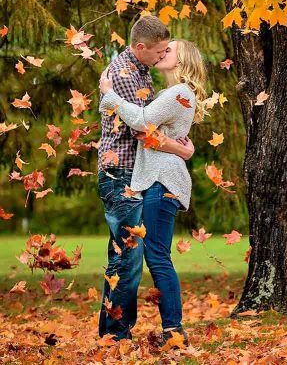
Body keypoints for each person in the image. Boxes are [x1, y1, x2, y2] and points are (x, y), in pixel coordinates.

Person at [99, 38, 207, 345]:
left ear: (182, 60)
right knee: (157, 255)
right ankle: (173, 330)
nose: (162, 52)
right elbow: (146, 129)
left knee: (158, 257)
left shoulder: (179, 93)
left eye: (168, 50)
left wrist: (109, 96)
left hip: (163, 180)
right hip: (161, 178)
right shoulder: (171, 93)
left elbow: (143, 122)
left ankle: (175, 332)